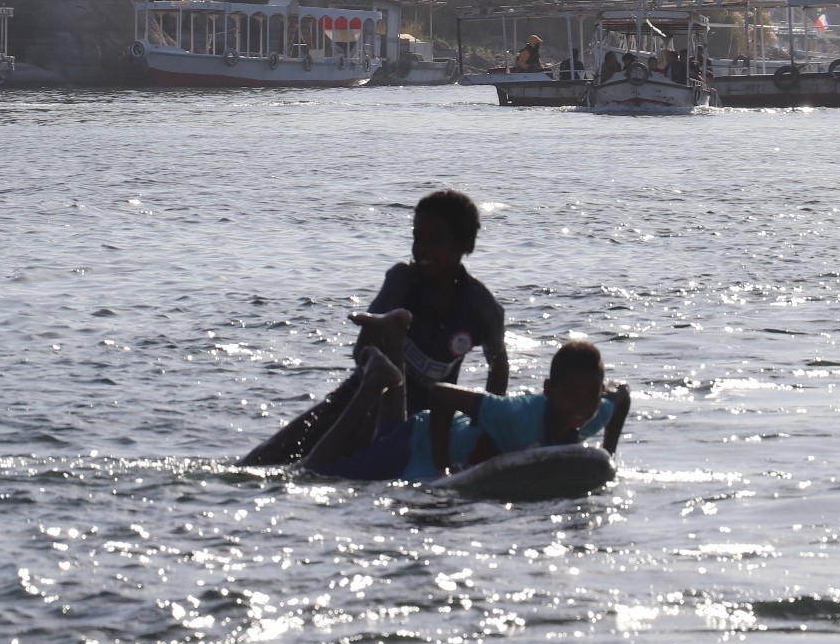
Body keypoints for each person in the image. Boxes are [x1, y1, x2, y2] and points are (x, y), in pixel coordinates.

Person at [240, 189, 508, 467]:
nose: (422, 249)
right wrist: (384, 346)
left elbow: (498, 366)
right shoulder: (403, 280)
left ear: (465, 244)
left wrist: (486, 426)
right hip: (357, 400)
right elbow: (361, 351)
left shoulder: (482, 308)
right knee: (261, 462)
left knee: (327, 469)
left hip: (420, 425)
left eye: (435, 239)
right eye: (417, 237)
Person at [306, 337, 630, 483]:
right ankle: (374, 383)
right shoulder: (516, 415)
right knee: (319, 474)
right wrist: (443, 466)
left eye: (589, 396)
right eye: (570, 394)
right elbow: (442, 394)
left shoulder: (594, 411)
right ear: (548, 390)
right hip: (420, 441)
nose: (579, 406)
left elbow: (622, 396)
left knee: (386, 435)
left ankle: (389, 370)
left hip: (435, 434)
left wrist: (608, 454)